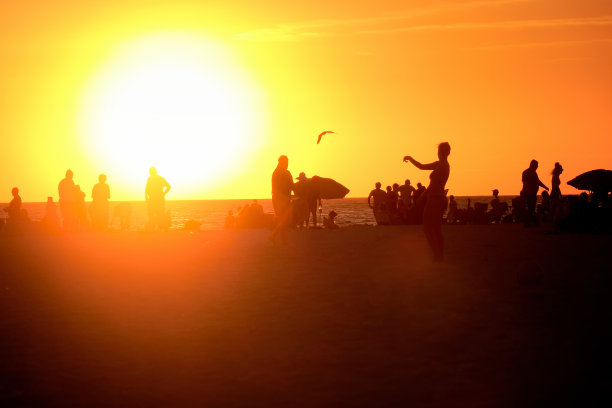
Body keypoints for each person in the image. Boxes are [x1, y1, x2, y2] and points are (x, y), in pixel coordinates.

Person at [404, 142, 451, 261]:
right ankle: (439, 254)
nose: (439, 153)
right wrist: (410, 158)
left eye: (440, 151)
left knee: (428, 228)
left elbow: (432, 186)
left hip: (435, 199)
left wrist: (420, 199)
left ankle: (437, 254)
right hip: (437, 198)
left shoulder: (443, 166)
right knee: (435, 228)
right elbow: (421, 166)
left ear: (445, 152)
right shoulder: (440, 164)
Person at [269, 155, 293, 244]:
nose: (287, 164)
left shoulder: (275, 172)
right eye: (286, 162)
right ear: (282, 162)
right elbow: (291, 185)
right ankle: (274, 236)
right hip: (282, 199)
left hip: (276, 198)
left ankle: (279, 239)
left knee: (282, 220)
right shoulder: (284, 172)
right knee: (285, 220)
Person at [521, 159, 549, 227]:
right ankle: (528, 223)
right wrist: (529, 191)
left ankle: (531, 222)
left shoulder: (534, 173)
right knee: (530, 208)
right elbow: (525, 182)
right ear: (532, 165)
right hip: (528, 193)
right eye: (536, 165)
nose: (537, 167)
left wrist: (544, 186)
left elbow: (538, 181)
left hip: (533, 193)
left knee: (532, 208)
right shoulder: (526, 172)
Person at [145, 167, 171, 231]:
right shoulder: (149, 179)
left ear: (154, 171)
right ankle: (153, 227)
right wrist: (146, 197)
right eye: (150, 171)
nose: (150, 173)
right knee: (151, 214)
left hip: (159, 199)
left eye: (151, 171)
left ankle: (163, 227)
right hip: (152, 199)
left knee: (160, 214)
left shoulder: (160, 178)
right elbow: (147, 188)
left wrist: (163, 193)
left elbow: (168, 186)